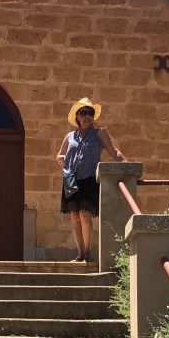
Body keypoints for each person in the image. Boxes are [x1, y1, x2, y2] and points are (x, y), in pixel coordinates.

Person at [56, 97, 127, 263]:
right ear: (77, 116)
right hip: (70, 178)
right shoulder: (70, 136)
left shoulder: (100, 133)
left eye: (90, 113)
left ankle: (88, 253)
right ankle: (80, 254)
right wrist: (60, 159)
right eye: (83, 113)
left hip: (88, 177)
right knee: (74, 215)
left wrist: (127, 165)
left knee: (84, 214)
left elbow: (114, 151)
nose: (87, 116)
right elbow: (59, 154)